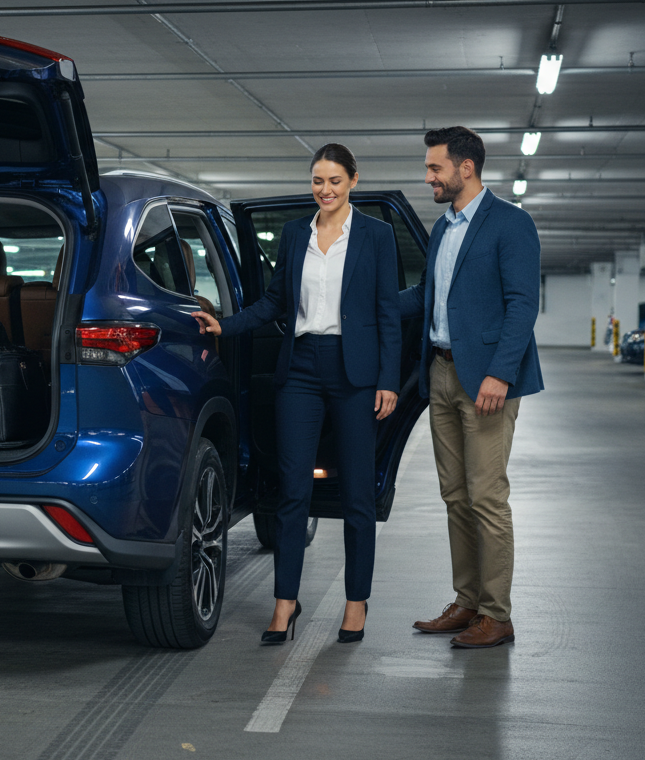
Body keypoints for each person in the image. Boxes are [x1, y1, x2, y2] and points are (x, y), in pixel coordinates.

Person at [192, 143, 401, 645]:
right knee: (292, 492)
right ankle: (285, 602)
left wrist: (389, 380)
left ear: (353, 180)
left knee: (356, 494)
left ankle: (356, 603)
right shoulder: (293, 235)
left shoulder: (376, 236)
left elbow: (388, 313)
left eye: (334, 180)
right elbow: (273, 302)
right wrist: (226, 325)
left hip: (355, 373)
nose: (325, 190)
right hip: (301, 367)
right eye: (317, 181)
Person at [398, 126, 543, 649]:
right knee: (455, 496)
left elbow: (523, 303)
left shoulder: (510, 223)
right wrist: (366, 304)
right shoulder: (442, 229)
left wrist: (500, 373)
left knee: (486, 496)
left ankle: (496, 614)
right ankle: (466, 601)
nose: (429, 177)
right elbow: (426, 296)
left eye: (436, 168)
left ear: (466, 168)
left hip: (486, 379)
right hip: (440, 372)